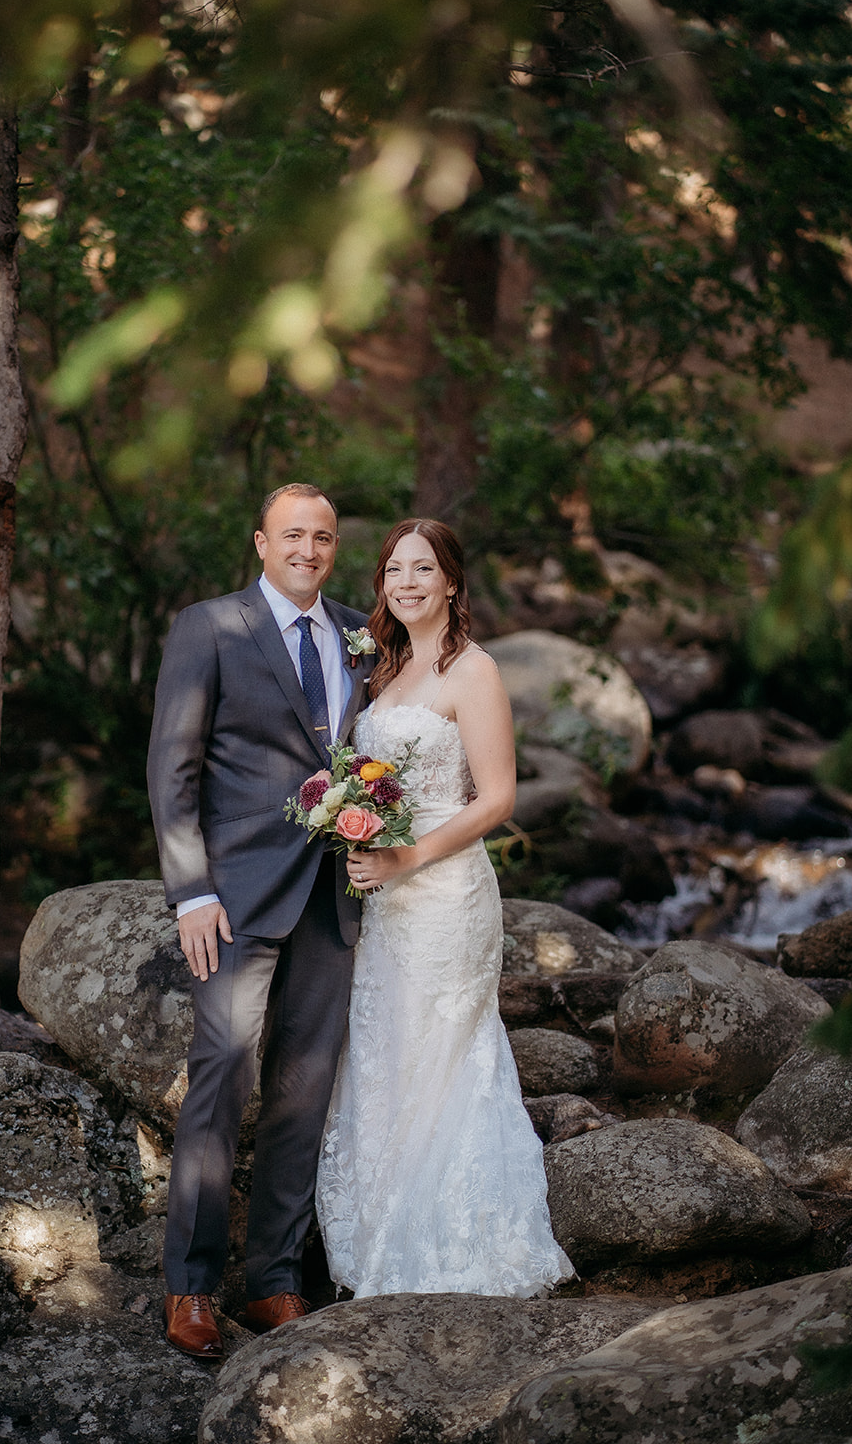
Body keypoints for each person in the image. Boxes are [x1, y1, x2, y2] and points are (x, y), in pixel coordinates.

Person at [316, 518, 573, 1297]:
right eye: (394, 569)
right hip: (385, 900)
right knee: (384, 1050)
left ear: (453, 582)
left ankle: (447, 1248)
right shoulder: (382, 665)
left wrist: (405, 856)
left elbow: (496, 798)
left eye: (423, 569)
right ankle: (370, 1243)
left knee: (442, 1053)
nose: (406, 582)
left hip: (444, 890)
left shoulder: (474, 671)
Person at [147, 483, 371, 1358]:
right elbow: (174, 766)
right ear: (260, 543)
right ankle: (191, 1289)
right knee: (222, 1075)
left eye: (321, 538)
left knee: (305, 1087)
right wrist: (190, 891)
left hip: (334, 893)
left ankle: (273, 1280)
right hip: (234, 894)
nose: (307, 550)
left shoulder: (359, 632)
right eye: (291, 535)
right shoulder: (210, 627)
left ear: (333, 547)